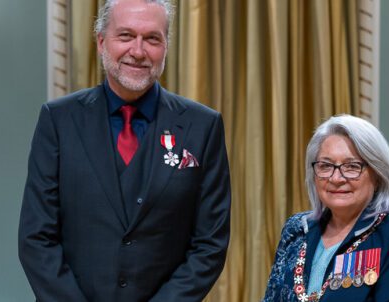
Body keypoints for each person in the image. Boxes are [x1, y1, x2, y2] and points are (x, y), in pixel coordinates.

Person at [18, 0, 232, 301]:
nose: (138, 50)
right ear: (101, 41)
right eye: (126, 35)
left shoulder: (203, 126)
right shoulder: (58, 121)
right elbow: (36, 238)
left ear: (166, 47)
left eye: (152, 38)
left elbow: (210, 244)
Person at [263, 115, 389, 301]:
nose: (336, 178)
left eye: (352, 167)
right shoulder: (296, 229)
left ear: (378, 174)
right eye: (326, 166)